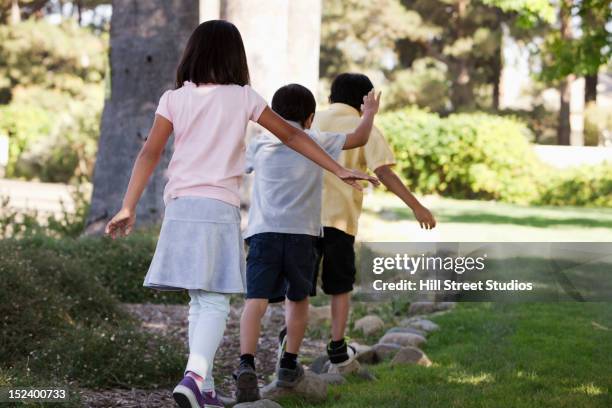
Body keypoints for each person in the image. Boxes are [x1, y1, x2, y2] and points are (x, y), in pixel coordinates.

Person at [104, 22, 378, 408]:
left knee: (199, 300)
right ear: (236, 57)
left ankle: (208, 388)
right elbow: (294, 136)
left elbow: (149, 152)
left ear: (192, 54)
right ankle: (195, 377)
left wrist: (128, 205)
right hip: (217, 207)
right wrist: (337, 168)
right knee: (215, 300)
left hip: (180, 207)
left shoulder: (173, 99)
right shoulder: (243, 97)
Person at [235, 84, 381, 402]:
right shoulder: (317, 141)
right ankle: (288, 364)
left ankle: (246, 363)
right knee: (297, 298)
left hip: (263, 233)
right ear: (311, 118)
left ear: (272, 115)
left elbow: (234, 167)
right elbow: (359, 138)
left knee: (255, 299)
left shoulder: (260, 144)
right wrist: (368, 114)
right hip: (303, 236)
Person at [311, 73, 436, 372]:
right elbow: (385, 173)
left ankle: (288, 343)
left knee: (300, 285)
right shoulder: (365, 127)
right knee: (340, 284)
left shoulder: (313, 120)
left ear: (331, 96)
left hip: (303, 218)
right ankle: (338, 346)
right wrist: (417, 206)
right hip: (339, 220)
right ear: (365, 100)